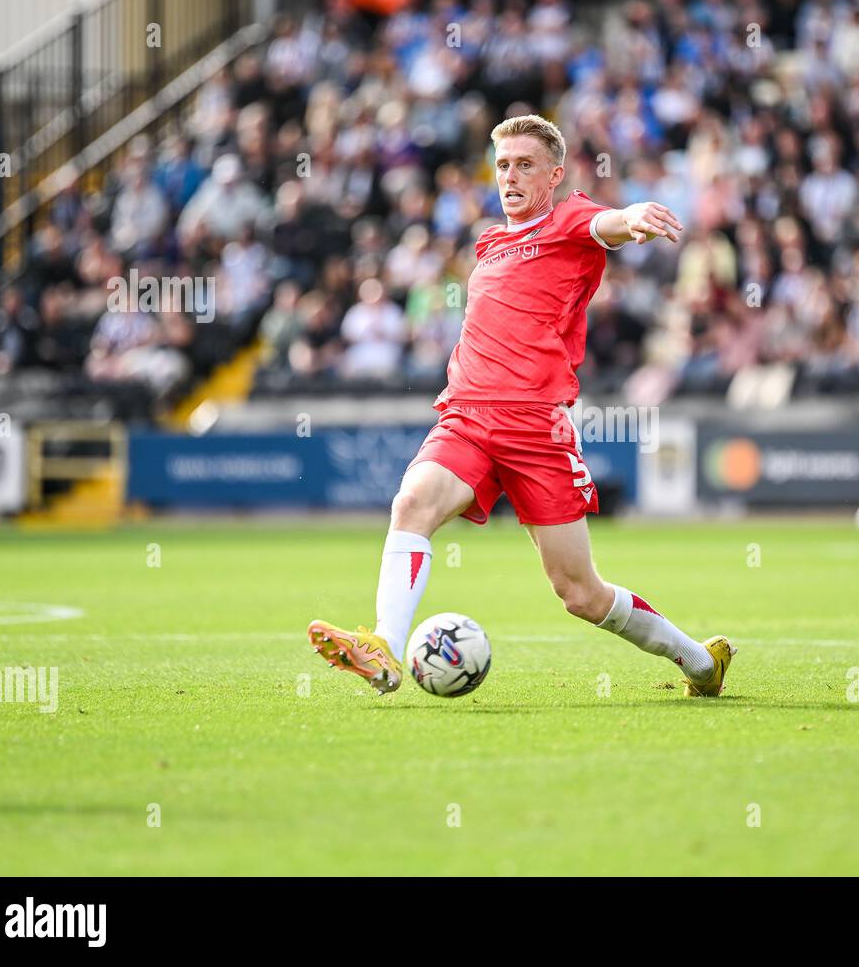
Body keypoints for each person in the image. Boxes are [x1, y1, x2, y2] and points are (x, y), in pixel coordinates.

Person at [307, 115, 736, 697]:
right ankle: (383, 644)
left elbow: (605, 224)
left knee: (579, 593)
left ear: (555, 174)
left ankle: (698, 662)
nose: (509, 176)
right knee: (411, 503)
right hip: (467, 414)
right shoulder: (489, 242)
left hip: (536, 427)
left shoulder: (568, 219)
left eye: (525, 165)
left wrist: (632, 218)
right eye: (503, 164)